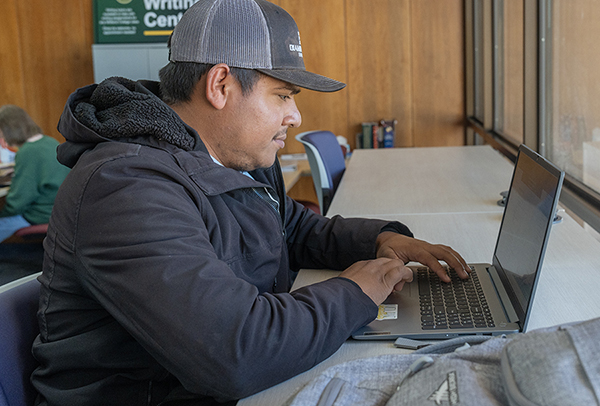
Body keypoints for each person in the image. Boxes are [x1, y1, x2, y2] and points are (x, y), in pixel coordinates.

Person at [31, 1, 470, 405]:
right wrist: (356, 292)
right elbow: (234, 351)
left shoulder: (235, 156)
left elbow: (292, 229)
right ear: (220, 84)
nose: (295, 117)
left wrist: (381, 240)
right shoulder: (125, 186)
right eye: (282, 95)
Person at [0, 105, 70, 241]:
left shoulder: (28, 152)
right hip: (61, 210)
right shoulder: (49, 141)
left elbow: (17, 203)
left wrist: (2, 213)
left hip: (41, 214)